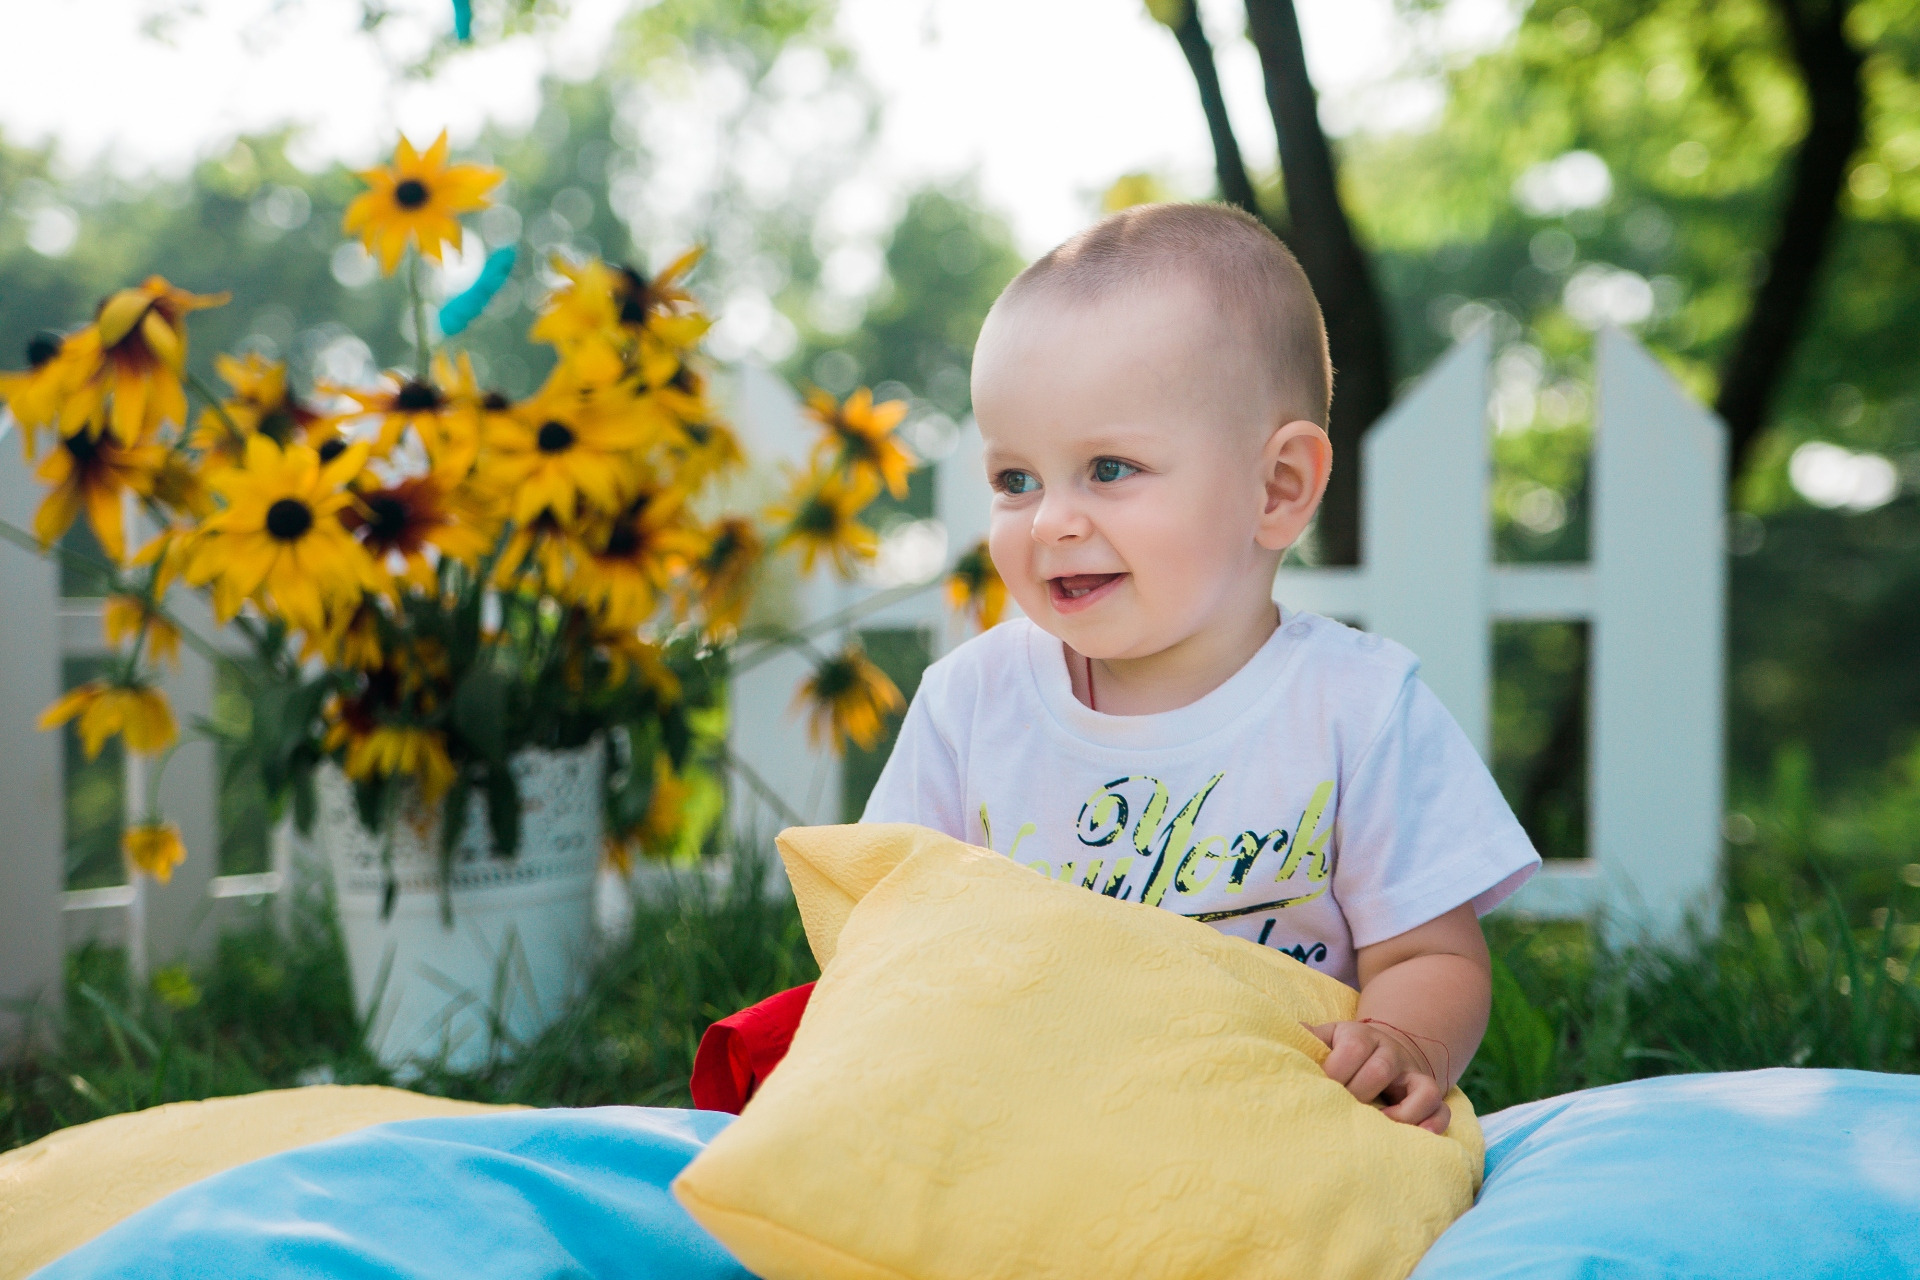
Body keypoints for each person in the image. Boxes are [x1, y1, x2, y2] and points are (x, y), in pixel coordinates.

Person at [859, 201, 1540, 1134]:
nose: (1052, 519)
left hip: (1272, 1123)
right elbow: (890, 930)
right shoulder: (971, 704)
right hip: (1028, 1113)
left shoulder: (1357, 708)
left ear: (1278, 488)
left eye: (1108, 468)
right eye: (1016, 479)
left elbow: (1433, 956)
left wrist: (1404, 1043)